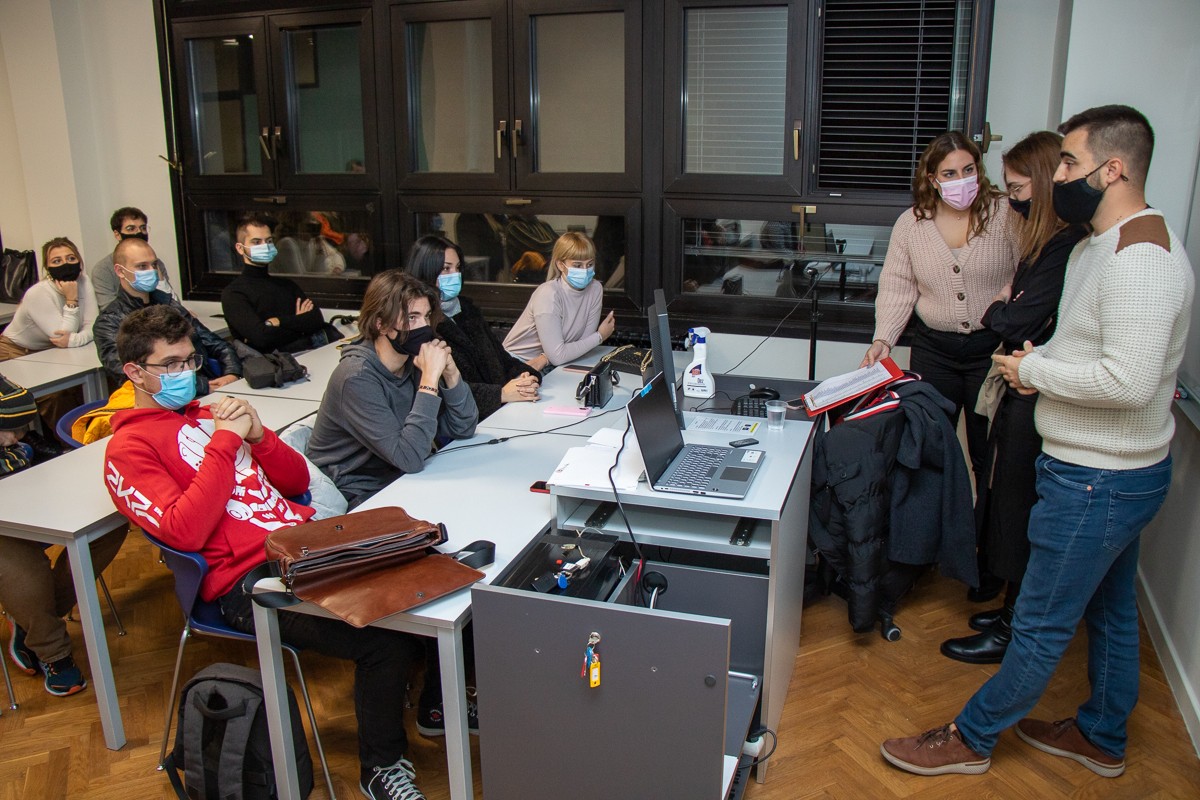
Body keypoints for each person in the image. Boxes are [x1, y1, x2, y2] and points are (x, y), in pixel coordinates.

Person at [881, 105, 1193, 780]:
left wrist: (1034, 373)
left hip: (1099, 479)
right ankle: (1102, 734)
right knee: (1111, 613)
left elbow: (1131, 382)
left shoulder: (1141, 259)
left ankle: (970, 737)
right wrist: (1042, 362)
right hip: (1102, 468)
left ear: (1113, 170)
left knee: (1043, 623)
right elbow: (1087, 348)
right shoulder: (1100, 245)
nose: (1060, 176)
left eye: (1071, 162)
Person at [103, 305, 428, 800]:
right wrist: (223, 445)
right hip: (245, 580)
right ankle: (380, 769)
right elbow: (185, 532)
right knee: (385, 642)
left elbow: (296, 482)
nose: (185, 373)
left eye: (190, 361)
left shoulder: (206, 415)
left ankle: (438, 706)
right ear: (134, 372)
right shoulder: (128, 449)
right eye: (170, 365)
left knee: (422, 580)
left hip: (304, 542)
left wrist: (259, 437)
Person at [939, 131, 1088, 665]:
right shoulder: (1041, 244)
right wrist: (1004, 306)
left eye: (1019, 189)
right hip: (1023, 383)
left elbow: (1014, 318)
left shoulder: (1065, 245)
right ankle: (1008, 611)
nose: (1014, 199)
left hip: (1038, 392)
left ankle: (1012, 626)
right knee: (1006, 497)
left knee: (1019, 504)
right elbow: (1012, 310)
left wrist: (1000, 307)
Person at [861, 131, 1020, 489]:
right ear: (932, 179)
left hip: (991, 351)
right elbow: (898, 285)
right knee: (931, 450)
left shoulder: (1005, 214)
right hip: (935, 351)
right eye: (950, 173)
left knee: (988, 452)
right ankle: (937, 522)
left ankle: (983, 525)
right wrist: (883, 339)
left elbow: (1025, 272)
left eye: (968, 170)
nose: (961, 180)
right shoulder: (912, 223)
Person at [0, 373, 127, 697]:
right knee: (25, 574)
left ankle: (30, 620)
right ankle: (54, 653)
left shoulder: (16, 444)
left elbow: (20, 411)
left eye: (18, 429)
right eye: (6, 430)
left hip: (24, 497)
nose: (14, 438)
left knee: (111, 524)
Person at [307, 270, 478, 508]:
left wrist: (451, 374)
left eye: (427, 316)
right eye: (412, 318)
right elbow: (409, 458)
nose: (424, 327)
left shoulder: (411, 361)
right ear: (382, 324)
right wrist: (429, 379)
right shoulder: (356, 377)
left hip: (398, 475)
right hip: (357, 490)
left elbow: (465, 427)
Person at [405, 235, 540, 419]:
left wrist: (525, 377)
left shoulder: (468, 310)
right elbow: (444, 392)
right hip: (466, 422)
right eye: (446, 268)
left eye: (457, 268)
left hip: (502, 412)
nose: (455, 275)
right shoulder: (420, 325)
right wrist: (500, 394)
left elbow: (502, 359)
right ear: (426, 271)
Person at [93, 237, 241, 393]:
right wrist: (203, 386)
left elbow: (215, 343)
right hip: (164, 397)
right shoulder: (108, 321)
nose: (151, 271)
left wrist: (231, 373)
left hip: (205, 388)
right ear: (120, 271)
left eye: (154, 265)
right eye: (142, 266)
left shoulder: (169, 304)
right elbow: (128, 374)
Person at [220, 212, 341, 354]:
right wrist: (299, 323)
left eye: (269, 241)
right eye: (256, 242)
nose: (265, 246)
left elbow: (316, 319)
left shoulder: (286, 285)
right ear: (240, 248)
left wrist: (278, 322)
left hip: (309, 354)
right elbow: (262, 338)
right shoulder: (234, 294)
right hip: (273, 364)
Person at [502, 232, 616, 371]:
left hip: (551, 363)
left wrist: (547, 358)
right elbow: (558, 356)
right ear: (561, 265)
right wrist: (600, 336)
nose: (585, 271)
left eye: (590, 264)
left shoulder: (595, 288)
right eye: (577, 265)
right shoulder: (548, 294)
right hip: (518, 364)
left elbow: (583, 343)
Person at [0, 237, 99, 360]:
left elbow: (93, 325)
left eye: (71, 258)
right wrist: (71, 300)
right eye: (57, 261)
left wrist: (75, 340)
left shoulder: (84, 281)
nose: (66, 264)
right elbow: (62, 336)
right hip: (14, 350)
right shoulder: (37, 293)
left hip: (49, 350)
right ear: (47, 268)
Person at [89, 207, 176, 308]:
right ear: (117, 234)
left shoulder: (156, 263)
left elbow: (171, 301)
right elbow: (109, 308)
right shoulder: (103, 269)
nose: (139, 232)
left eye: (143, 228)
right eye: (131, 229)